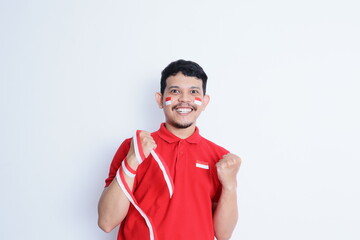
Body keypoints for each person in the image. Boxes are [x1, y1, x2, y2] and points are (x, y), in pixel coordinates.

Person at [98, 59, 241, 240]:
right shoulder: (132, 147)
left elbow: (223, 234)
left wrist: (230, 186)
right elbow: (106, 221)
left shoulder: (220, 158)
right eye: (175, 91)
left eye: (193, 92)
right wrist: (133, 160)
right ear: (160, 100)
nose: (184, 99)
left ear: (204, 102)